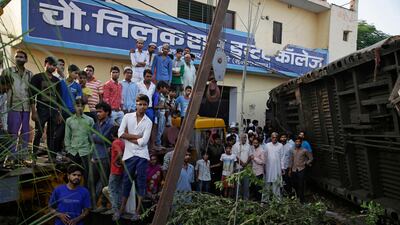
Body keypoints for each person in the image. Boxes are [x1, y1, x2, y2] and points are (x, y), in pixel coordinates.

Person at [117, 94, 152, 221]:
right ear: (136, 104)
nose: (142, 107)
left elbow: (144, 142)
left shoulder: (148, 121)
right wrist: (137, 136)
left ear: (147, 106)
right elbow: (120, 133)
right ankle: (121, 210)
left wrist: (128, 136)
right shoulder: (127, 117)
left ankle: (137, 211)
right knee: (126, 181)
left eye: (144, 104)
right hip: (129, 154)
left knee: (141, 182)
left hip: (142, 155)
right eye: (140, 104)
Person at [1, 50, 35, 158]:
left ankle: (23, 156)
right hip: (12, 105)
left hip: (26, 107)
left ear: (26, 60)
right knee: (13, 131)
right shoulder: (7, 71)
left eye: (21, 57)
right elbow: (3, 88)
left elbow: (31, 93)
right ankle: (11, 156)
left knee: (25, 132)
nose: (19, 58)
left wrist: (33, 110)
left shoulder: (30, 74)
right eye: (17, 56)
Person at [31, 56, 63, 163]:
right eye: (51, 64)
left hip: (53, 110)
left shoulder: (56, 80)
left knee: (51, 134)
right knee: (38, 133)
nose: (53, 67)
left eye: (55, 65)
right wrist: (33, 112)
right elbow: (31, 96)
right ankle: (33, 157)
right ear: (45, 64)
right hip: (41, 109)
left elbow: (59, 98)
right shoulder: (37, 78)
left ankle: (51, 157)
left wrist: (59, 113)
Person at [54, 64, 83, 161]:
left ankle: (66, 152)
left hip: (72, 114)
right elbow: (57, 99)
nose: (77, 75)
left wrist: (78, 112)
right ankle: (56, 152)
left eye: (78, 74)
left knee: (69, 134)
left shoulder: (77, 86)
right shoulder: (60, 83)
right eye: (75, 73)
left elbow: (79, 101)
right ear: (69, 72)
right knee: (59, 133)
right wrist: (58, 112)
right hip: (61, 112)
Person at [64, 99, 94, 186]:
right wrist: (68, 150)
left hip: (86, 151)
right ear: (74, 107)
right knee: (71, 174)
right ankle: (71, 193)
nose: (80, 108)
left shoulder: (90, 120)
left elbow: (93, 137)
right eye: (78, 106)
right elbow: (67, 137)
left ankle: (85, 193)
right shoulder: (69, 120)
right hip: (73, 151)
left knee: (87, 175)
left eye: (82, 106)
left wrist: (91, 150)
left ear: (84, 107)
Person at [90, 102, 114, 212]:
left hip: (104, 156)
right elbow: (91, 136)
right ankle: (92, 204)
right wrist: (95, 137)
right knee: (92, 181)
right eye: (97, 112)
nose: (98, 114)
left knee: (103, 182)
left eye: (100, 111)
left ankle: (100, 204)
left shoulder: (111, 124)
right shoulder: (97, 123)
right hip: (95, 155)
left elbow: (103, 139)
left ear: (107, 112)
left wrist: (95, 136)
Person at [106, 126, 125, 219]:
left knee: (111, 190)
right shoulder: (122, 142)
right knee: (119, 189)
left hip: (115, 170)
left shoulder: (115, 142)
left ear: (111, 134)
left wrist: (114, 161)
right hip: (122, 170)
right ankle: (120, 209)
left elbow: (120, 153)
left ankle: (115, 210)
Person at [290, 138, 313, 203]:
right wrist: (290, 169)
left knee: (301, 185)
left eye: (299, 142)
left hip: (301, 169)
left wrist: (306, 163)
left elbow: (311, 158)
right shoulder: (293, 150)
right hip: (294, 169)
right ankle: (297, 197)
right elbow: (291, 160)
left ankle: (302, 200)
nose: (297, 143)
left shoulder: (304, 150)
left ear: (301, 143)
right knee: (295, 184)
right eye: (296, 142)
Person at [263, 132, 283, 200]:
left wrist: (282, 168)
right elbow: (265, 157)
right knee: (266, 184)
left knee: (276, 184)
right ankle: (265, 200)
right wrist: (264, 167)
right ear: (271, 138)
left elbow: (282, 157)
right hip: (268, 168)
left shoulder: (280, 145)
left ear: (278, 138)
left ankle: (277, 200)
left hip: (277, 168)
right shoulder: (267, 145)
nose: (274, 139)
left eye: (276, 137)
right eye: (273, 137)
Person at [232, 134, 252, 200]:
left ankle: (246, 200)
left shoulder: (248, 146)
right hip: (238, 168)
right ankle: (238, 199)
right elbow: (235, 156)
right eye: (243, 137)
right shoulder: (235, 146)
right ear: (240, 138)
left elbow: (250, 155)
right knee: (238, 185)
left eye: (245, 138)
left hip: (246, 168)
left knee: (246, 185)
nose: (244, 139)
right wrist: (242, 163)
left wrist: (246, 163)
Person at [154, 81, 169, 147]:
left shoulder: (162, 95)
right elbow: (155, 106)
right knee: (159, 130)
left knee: (161, 129)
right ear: (161, 88)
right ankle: (158, 143)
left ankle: (159, 143)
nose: (166, 90)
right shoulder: (157, 95)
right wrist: (163, 106)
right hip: (159, 114)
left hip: (162, 114)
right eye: (165, 88)